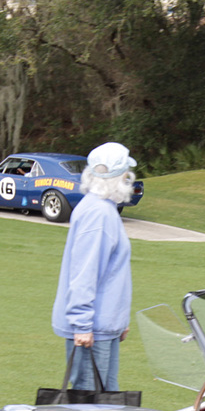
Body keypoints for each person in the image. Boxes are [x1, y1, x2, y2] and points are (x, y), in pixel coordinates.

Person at [51, 142, 135, 391]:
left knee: (107, 403)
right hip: (92, 331)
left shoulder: (101, 208)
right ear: (121, 177)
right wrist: (82, 324)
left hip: (103, 326)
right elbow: (84, 273)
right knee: (89, 407)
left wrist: (119, 320)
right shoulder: (98, 214)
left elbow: (110, 274)